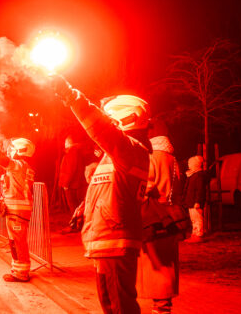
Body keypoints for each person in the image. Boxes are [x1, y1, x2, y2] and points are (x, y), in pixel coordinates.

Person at [55, 77, 150, 314]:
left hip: (115, 241)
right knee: (110, 304)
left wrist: (70, 95)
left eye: (110, 119)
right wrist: (85, 208)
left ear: (125, 118)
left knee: (120, 306)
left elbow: (100, 128)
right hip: (108, 241)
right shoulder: (119, 155)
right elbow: (109, 189)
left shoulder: (131, 149)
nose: (107, 123)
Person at [137, 125, 182, 314]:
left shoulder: (151, 157)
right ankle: (164, 307)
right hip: (172, 216)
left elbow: (147, 185)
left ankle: (159, 308)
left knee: (155, 265)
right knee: (168, 266)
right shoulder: (173, 159)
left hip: (154, 217)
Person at [0, 138, 36, 282]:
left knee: (18, 241)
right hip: (17, 209)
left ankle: (21, 273)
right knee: (15, 241)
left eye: (12, 148)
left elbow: (2, 161)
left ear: (20, 150)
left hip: (18, 210)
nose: (9, 151)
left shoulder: (19, 165)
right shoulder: (24, 166)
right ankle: (17, 270)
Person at [59, 135, 88, 214]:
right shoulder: (79, 151)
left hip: (72, 186)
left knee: (74, 207)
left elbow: (70, 169)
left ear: (68, 142)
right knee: (81, 207)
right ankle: (81, 224)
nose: (64, 144)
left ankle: (77, 224)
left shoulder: (71, 152)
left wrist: (65, 184)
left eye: (65, 142)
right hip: (80, 184)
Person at [183, 155, 206, 243]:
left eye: (190, 163)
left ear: (195, 164)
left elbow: (200, 190)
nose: (189, 165)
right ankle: (195, 234)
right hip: (191, 201)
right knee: (194, 219)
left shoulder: (199, 176)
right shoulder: (192, 175)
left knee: (197, 219)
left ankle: (199, 235)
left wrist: (198, 201)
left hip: (195, 202)